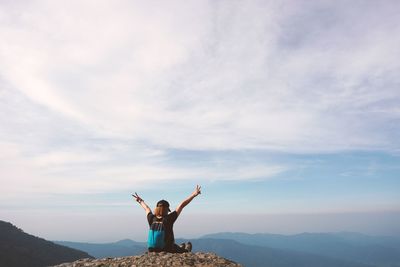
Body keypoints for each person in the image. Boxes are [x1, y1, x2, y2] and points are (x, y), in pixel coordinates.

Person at [132, 185, 201, 253]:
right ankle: (184, 250)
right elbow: (181, 205)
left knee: (174, 244)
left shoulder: (151, 218)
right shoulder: (168, 219)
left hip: (151, 249)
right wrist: (193, 195)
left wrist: (140, 201)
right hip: (166, 249)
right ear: (166, 210)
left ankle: (178, 247)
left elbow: (146, 208)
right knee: (183, 250)